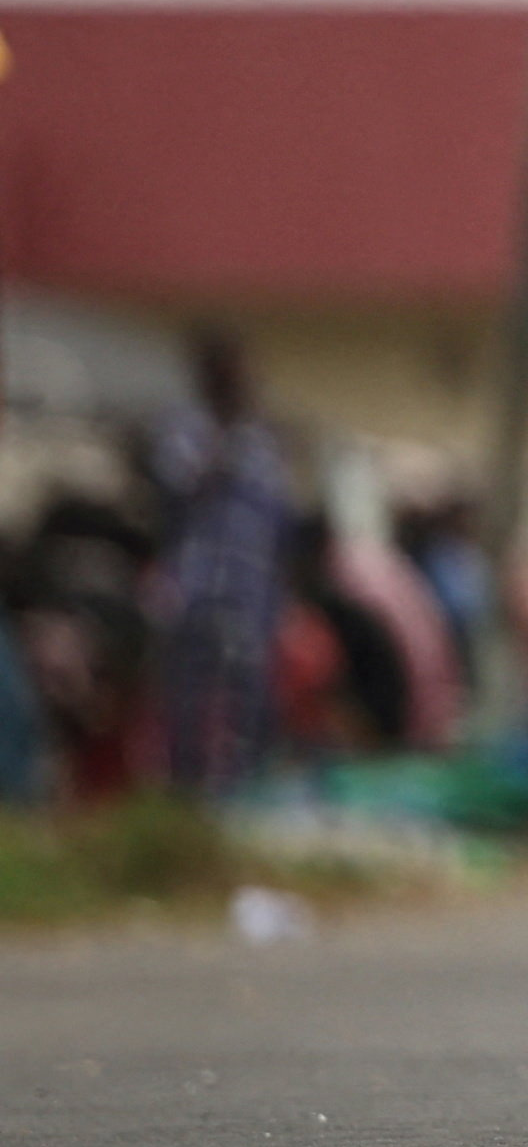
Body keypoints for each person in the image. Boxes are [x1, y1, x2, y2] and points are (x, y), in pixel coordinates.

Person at [150, 331, 299, 800]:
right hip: (196, 595)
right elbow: (180, 486)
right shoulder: (183, 429)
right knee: (189, 709)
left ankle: (243, 801)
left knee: (252, 709)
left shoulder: (263, 441)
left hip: (252, 597)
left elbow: (280, 519)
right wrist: (226, 435)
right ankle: (185, 805)